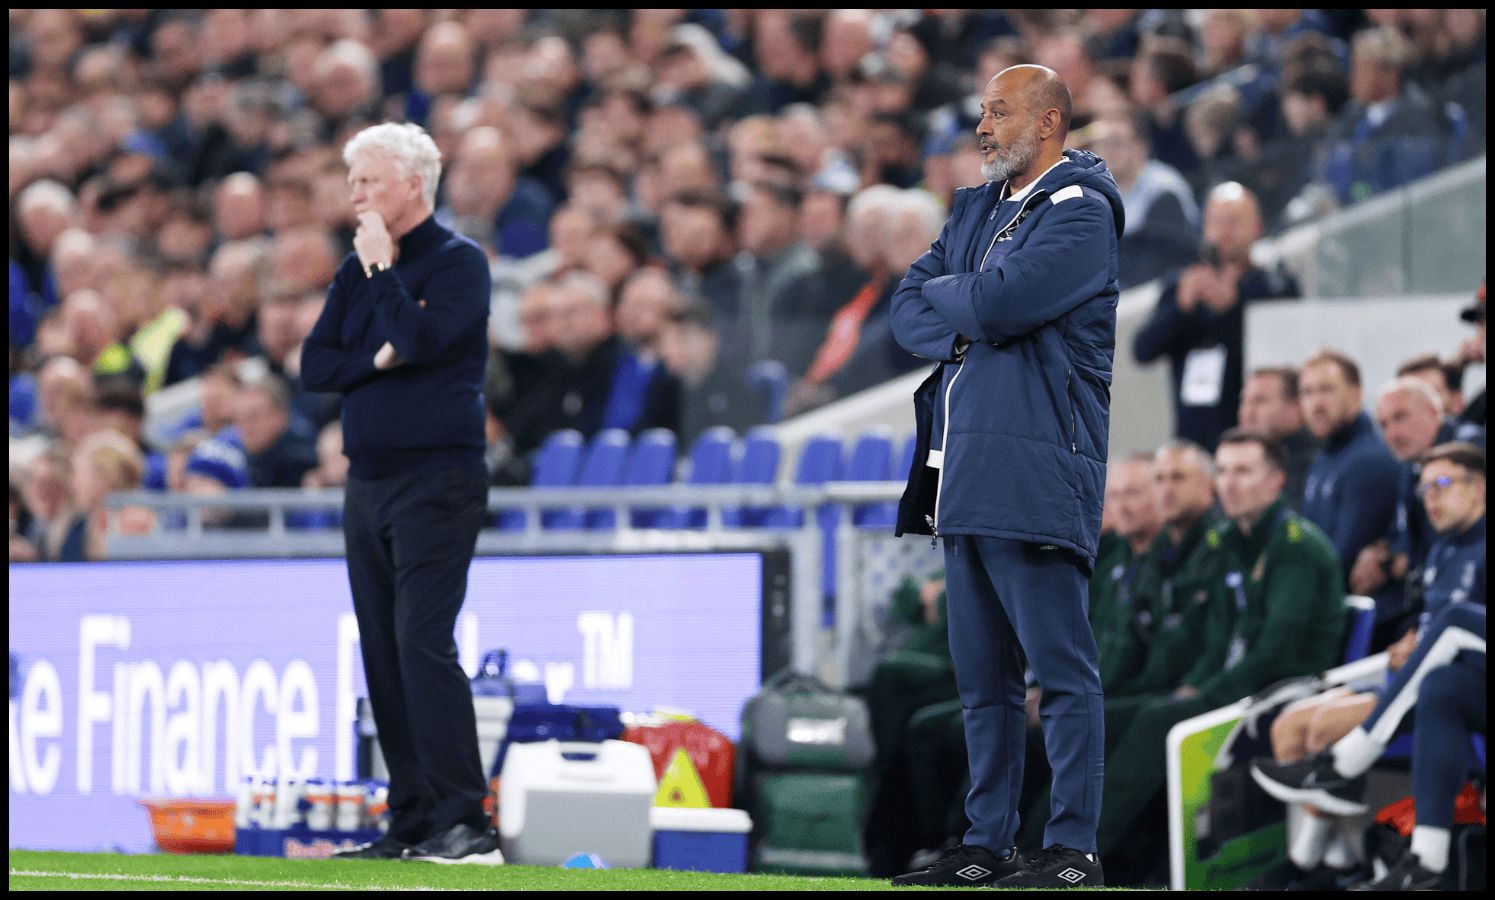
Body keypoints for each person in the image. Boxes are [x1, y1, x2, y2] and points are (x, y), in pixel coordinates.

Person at [890, 64, 1124, 888]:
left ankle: (1071, 852)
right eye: (981, 111)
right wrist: (971, 302)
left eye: (999, 111)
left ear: (1049, 121)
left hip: (1036, 468)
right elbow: (907, 309)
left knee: (1059, 672)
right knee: (982, 683)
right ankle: (985, 845)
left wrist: (966, 300)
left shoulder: (1081, 210)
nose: (982, 127)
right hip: (963, 472)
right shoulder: (977, 208)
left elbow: (997, 305)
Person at [300, 122, 499, 864]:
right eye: (352, 180)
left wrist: (384, 275)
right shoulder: (354, 269)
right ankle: (412, 819)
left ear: (413, 185)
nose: (355, 194)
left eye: (369, 181)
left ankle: (465, 820)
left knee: (421, 644)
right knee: (383, 652)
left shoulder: (457, 263)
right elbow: (315, 366)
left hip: (437, 479)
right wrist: (376, 355)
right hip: (369, 481)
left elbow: (417, 342)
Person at [1094, 429, 1345, 875]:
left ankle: (1087, 856)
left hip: (1285, 696)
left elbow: (1275, 655)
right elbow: (1218, 640)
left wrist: (1204, 694)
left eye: (1243, 471)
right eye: (1224, 471)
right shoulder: (1229, 544)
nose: (1229, 483)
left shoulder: (1296, 547)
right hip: (1234, 689)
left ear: (1276, 481)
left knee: (1156, 719)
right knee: (1102, 719)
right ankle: (1056, 851)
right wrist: (1195, 686)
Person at [1252, 443, 1485, 890]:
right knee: (1440, 683)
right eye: (1423, 488)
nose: (1430, 498)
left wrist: (1431, 643)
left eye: (1442, 484)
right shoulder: (1441, 551)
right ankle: (1423, 862)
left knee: (1455, 627)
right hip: (1432, 684)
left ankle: (1347, 764)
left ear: (1480, 488)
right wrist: (1411, 645)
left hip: (1449, 679)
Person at [1133, 182, 1299, 452]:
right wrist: (1180, 308)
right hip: (1193, 439)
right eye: (1216, 222)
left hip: (1255, 438)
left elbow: (1284, 358)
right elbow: (1143, 350)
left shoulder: (1275, 287)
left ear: (1257, 228)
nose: (1224, 231)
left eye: (1234, 221)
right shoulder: (1183, 285)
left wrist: (1231, 310)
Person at [1298, 350, 1403, 639]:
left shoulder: (1370, 461)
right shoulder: (1324, 459)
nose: (1315, 403)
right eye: (1306, 392)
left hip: (1349, 621)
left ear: (1356, 394)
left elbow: (1339, 561)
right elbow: (1304, 539)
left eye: (1326, 390)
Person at [1237, 366, 1319, 510]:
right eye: (1245, 401)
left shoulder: (1318, 463)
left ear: (1297, 407)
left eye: (1260, 401)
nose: (1247, 412)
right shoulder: (1235, 460)